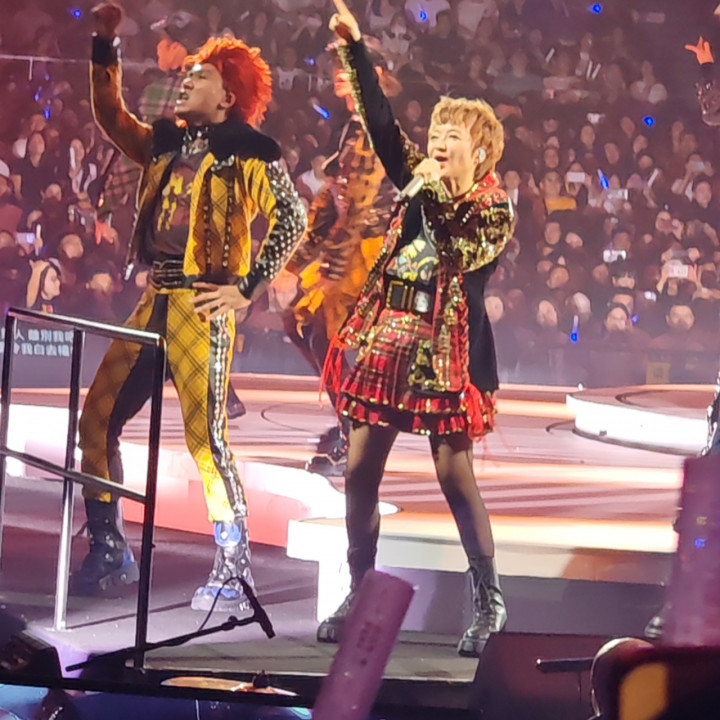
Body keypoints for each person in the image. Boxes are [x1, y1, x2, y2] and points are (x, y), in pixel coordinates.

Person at [73, 3, 306, 613]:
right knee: (95, 420)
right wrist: (104, 44)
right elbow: (110, 117)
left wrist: (247, 288)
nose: (185, 79)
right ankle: (107, 547)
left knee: (205, 440)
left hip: (202, 305)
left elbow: (292, 217)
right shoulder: (166, 141)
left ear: (227, 96)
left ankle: (233, 567)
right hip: (155, 295)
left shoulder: (248, 149)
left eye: (200, 75)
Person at [318, 0, 515, 657]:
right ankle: (358, 589)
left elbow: (460, 250)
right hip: (389, 334)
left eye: (451, 134)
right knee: (358, 471)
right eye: (435, 130)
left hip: (445, 350)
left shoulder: (492, 206)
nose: (436, 141)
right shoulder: (418, 179)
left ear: (479, 150)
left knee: (453, 474)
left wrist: (428, 188)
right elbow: (380, 123)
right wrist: (355, 49)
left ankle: (488, 601)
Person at [283, 45, 395, 476]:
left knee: (323, 336)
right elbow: (332, 204)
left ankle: (355, 436)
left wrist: (326, 269)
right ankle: (350, 424)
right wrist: (294, 262)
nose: (338, 75)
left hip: (369, 253)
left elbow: (358, 209)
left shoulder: (375, 127)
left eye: (349, 68)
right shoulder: (354, 126)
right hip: (350, 249)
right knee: (306, 328)